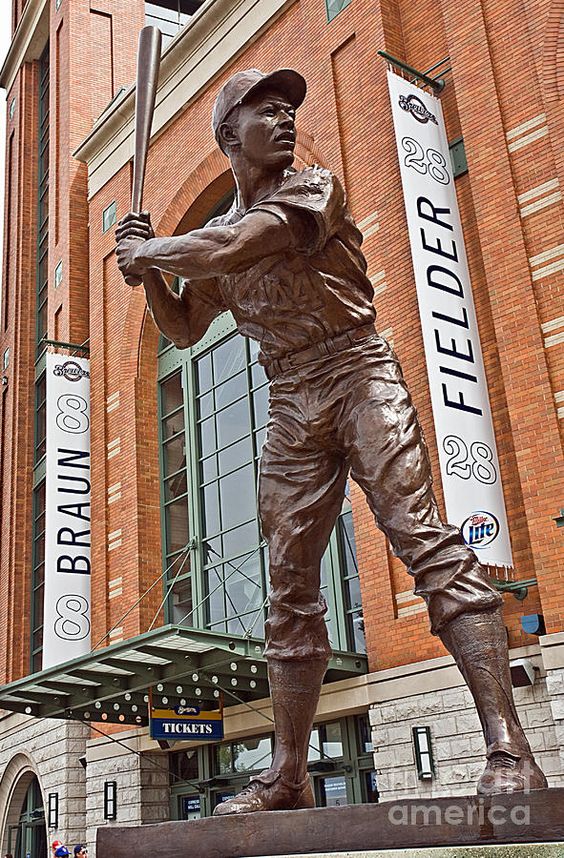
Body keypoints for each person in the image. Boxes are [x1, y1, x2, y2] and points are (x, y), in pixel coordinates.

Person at [116, 67, 547, 813]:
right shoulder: (217, 235)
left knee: (423, 540)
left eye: (290, 110)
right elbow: (184, 327)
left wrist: (154, 254)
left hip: (357, 371)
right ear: (230, 136)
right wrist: (144, 266)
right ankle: (285, 775)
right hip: (289, 395)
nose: (285, 120)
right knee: (288, 586)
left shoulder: (310, 189)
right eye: (267, 112)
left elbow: (232, 247)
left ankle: (511, 747)